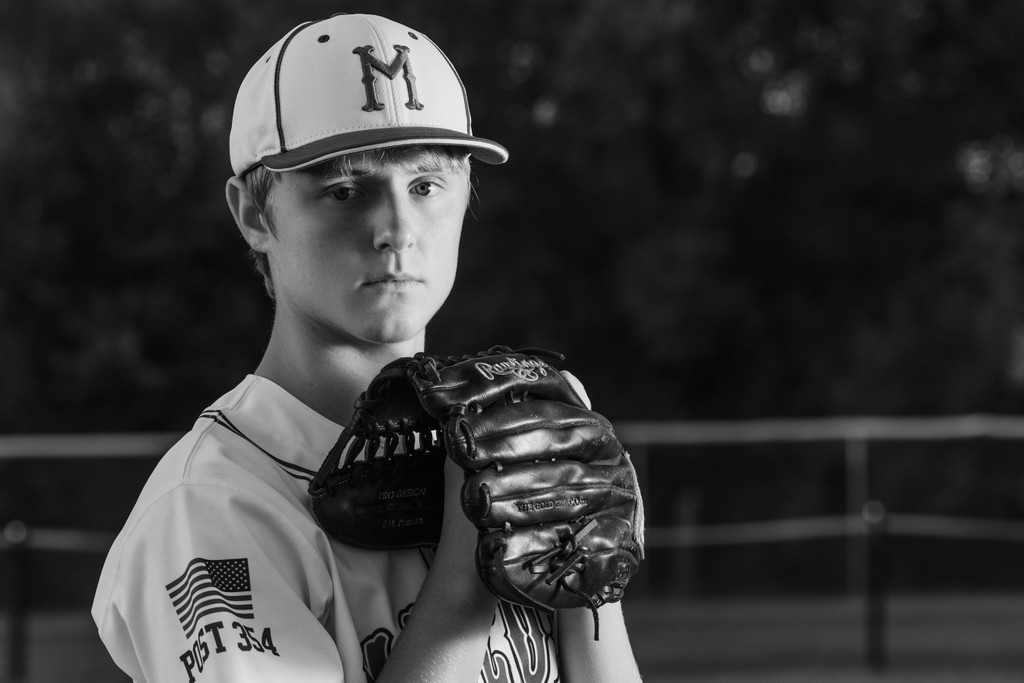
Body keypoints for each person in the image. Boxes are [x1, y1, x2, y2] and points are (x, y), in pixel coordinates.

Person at [92, 12, 643, 682]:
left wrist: (595, 576)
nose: (397, 230)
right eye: (344, 189)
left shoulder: (524, 432)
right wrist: (469, 561)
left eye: (426, 184)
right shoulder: (210, 506)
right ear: (252, 213)